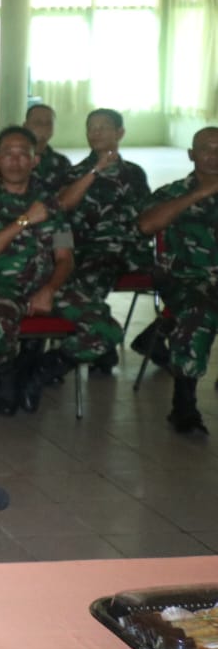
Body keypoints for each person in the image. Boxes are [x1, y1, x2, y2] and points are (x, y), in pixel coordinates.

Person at [0, 127, 120, 415]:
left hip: (47, 288)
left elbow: (64, 258)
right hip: (0, 289)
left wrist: (49, 289)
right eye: (8, 154)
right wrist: (25, 220)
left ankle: (42, 371)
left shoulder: (52, 206)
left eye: (24, 154)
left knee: (106, 330)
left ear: (35, 161)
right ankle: (8, 374)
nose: (16, 160)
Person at [52, 108, 151, 373]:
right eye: (91, 127)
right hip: (90, 252)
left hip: (130, 251)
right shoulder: (75, 174)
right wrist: (95, 170)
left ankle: (151, 340)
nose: (95, 133)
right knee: (87, 281)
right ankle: (100, 344)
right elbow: (62, 211)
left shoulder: (134, 174)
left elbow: (145, 217)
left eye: (103, 127)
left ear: (120, 133)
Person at [133, 127, 218, 435]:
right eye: (206, 149)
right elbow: (145, 225)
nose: (214, 155)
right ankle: (184, 404)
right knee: (200, 313)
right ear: (191, 155)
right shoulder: (172, 192)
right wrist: (198, 193)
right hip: (184, 280)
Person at [25, 104, 72, 195]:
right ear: (25, 126)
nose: (43, 127)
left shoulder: (62, 162)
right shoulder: (15, 159)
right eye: (38, 122)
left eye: (48, 123)